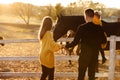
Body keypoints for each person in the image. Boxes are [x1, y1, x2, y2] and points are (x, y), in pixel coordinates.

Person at [65, 9, 107, 80]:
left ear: (86, 16)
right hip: (94, 56)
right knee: (91, 76)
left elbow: (75, 42)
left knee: (81, 76)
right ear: (93, 16)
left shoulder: (82, 27)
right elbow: (103, 41)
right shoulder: (99, 28)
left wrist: (66, 46)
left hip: (84, 56)